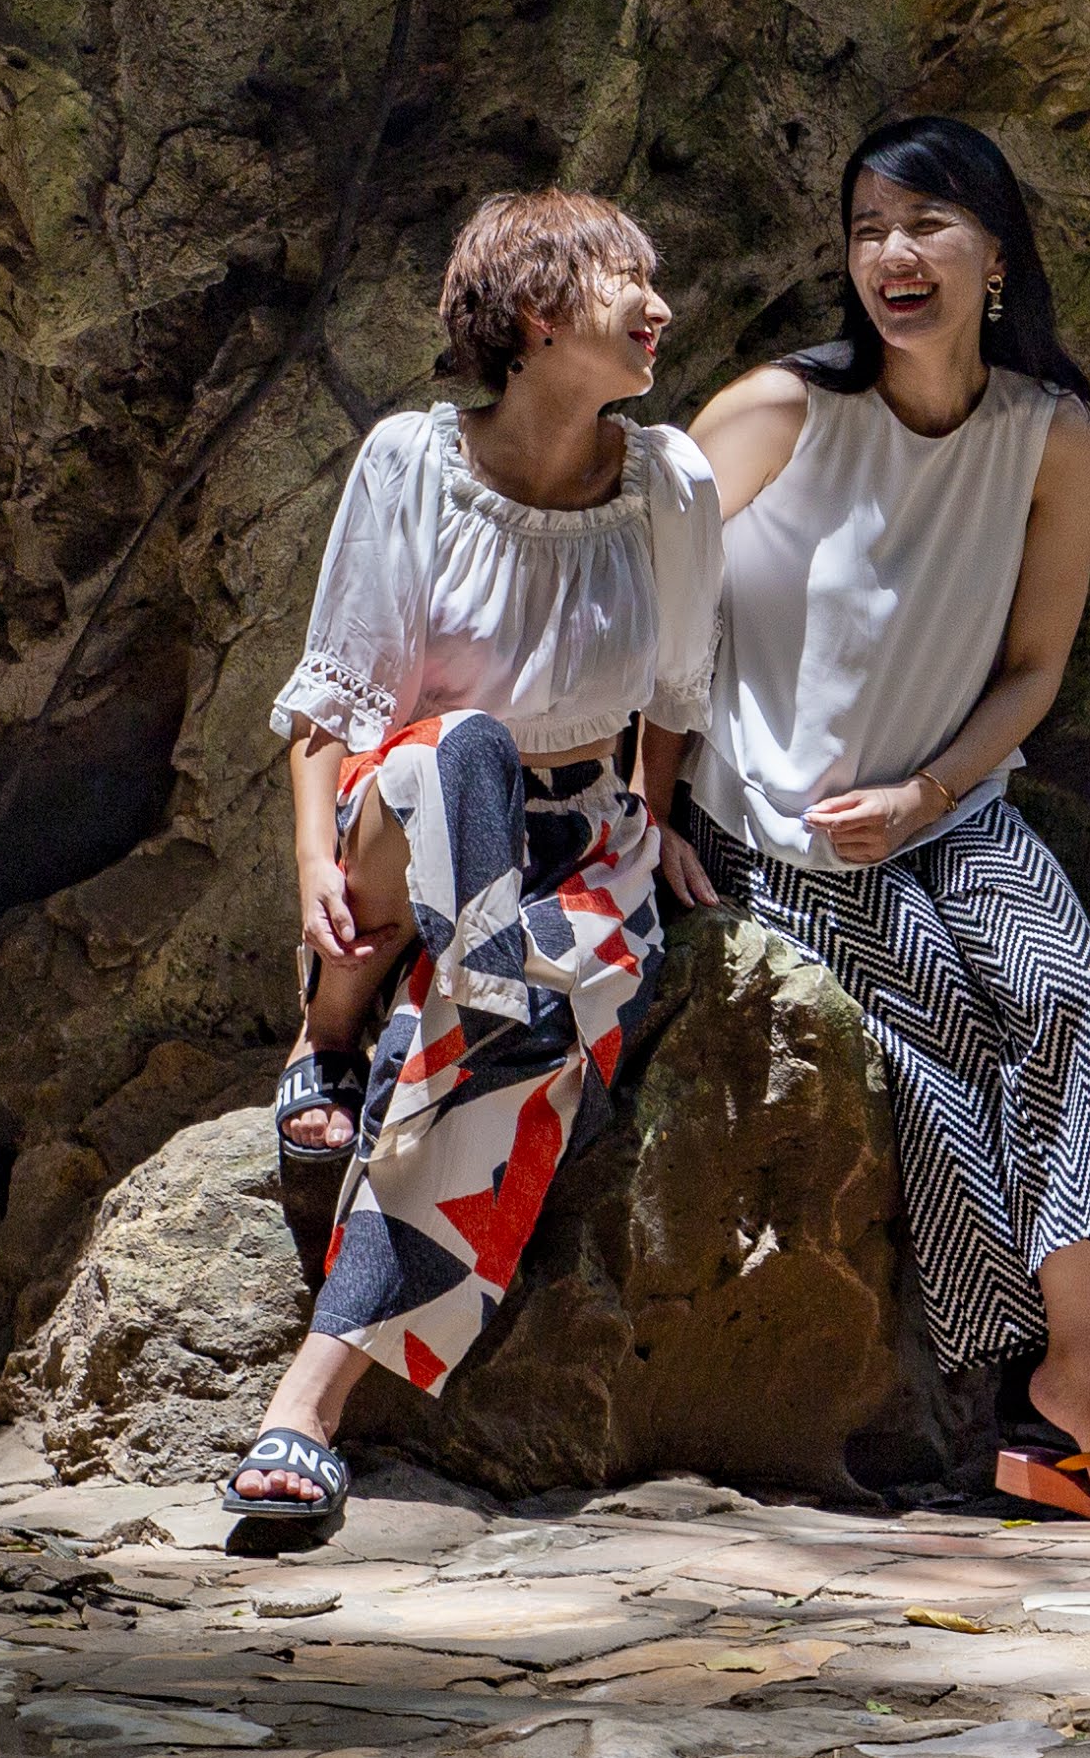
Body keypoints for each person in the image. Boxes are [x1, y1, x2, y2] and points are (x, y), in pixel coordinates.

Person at [665, 116, 1090, 1525]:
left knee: (1067, 1001)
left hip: (950, 807)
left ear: (997, 255)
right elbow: (636, 605)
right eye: (865, 228)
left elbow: (1034, 666)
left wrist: (929, 789)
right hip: (782, 828)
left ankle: (1080, 1391)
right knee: (947, 1076)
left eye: (925, 225)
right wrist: (639, 800)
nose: (890, 255)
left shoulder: (1054, 434)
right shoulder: (778, 411)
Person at [223, 190, 767, 1540]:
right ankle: (335, 1028)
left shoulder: (672, 484)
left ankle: (306, 1406)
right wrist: (311, 860)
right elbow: (331, 699)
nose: (660, 306)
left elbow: (677, 692)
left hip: (574, 844)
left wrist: (646, 828)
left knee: (502, 1034)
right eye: (622, 280)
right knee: (456, 751)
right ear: (532, 313)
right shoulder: (411, 461)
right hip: (406, 813)